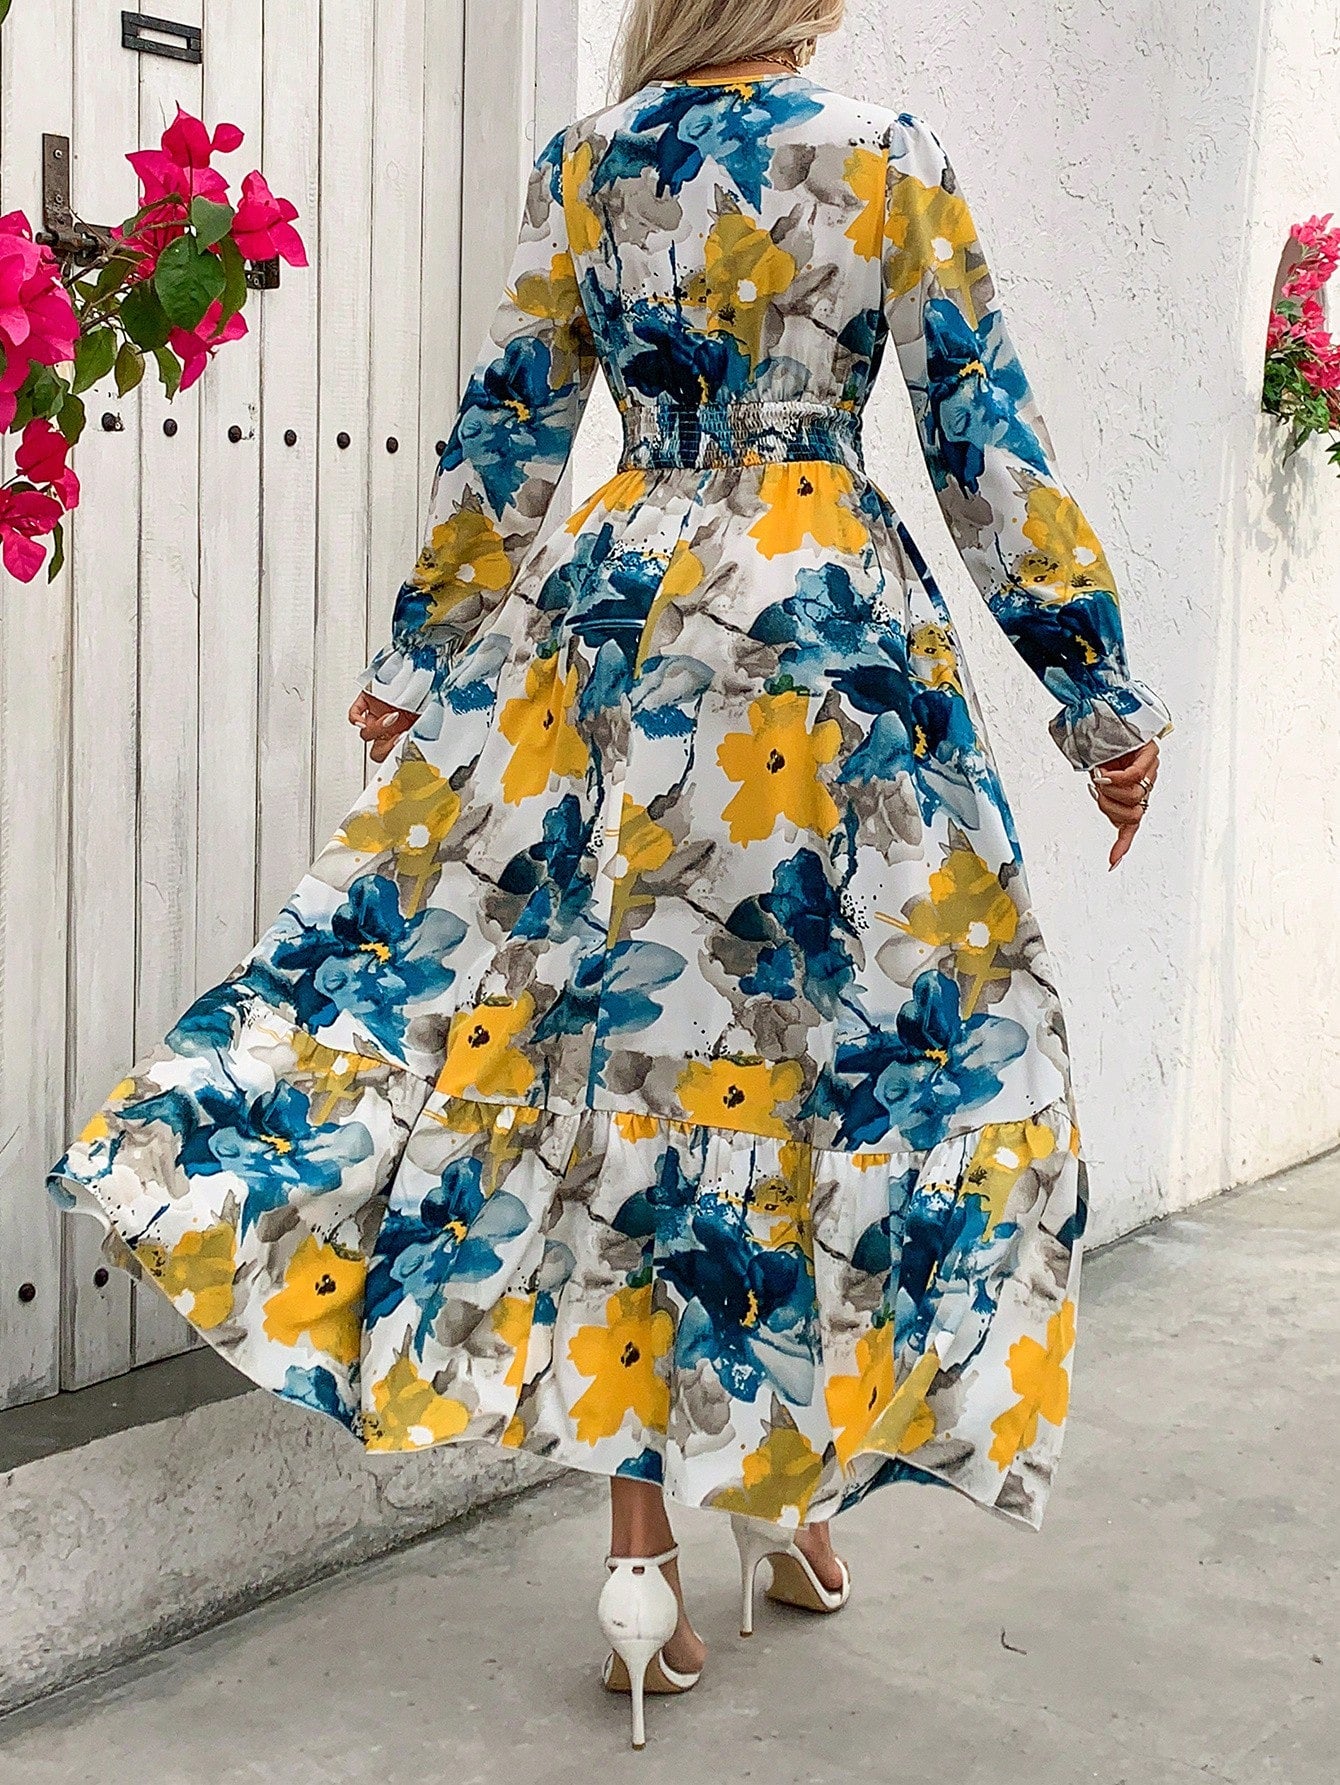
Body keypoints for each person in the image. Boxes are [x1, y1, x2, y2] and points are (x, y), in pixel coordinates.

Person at [51, 0, 1171, 1750]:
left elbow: (509, 433)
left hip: (616, 630)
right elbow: (984, 445)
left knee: (616, 1068)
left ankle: (647, 1553)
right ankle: (781, 1490)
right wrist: (1095, 693)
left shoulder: (587, 163)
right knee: (824, 1070)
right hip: (822, 642)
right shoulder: (884, 159)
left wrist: (419, 661)